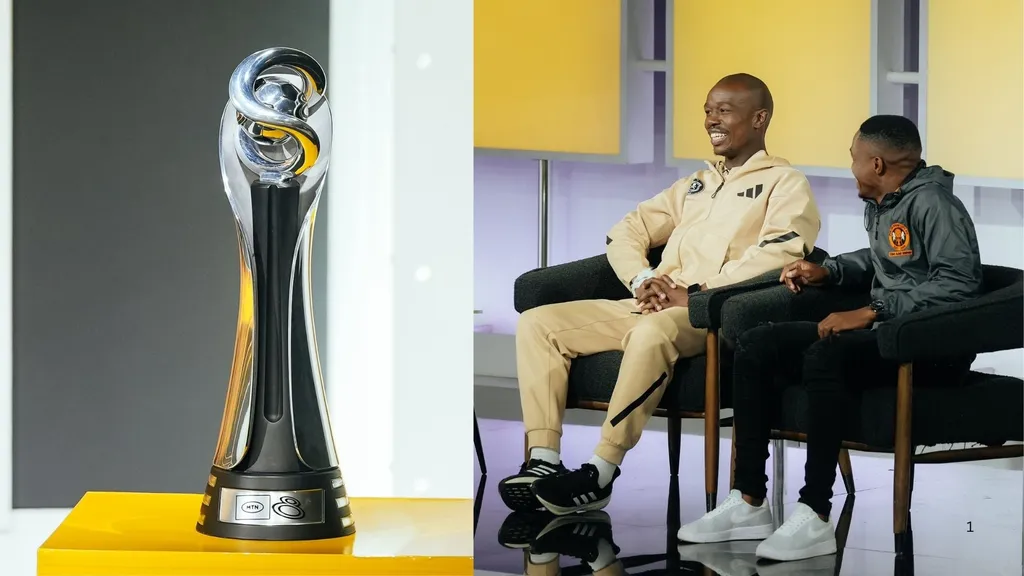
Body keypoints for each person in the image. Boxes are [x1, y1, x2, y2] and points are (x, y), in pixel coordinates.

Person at [498, 73, 822, 520]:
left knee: (651, 332)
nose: (711, 120)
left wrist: (696, 294)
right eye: (708, 110)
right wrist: (642, 279)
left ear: (759, 118)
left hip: (712, 313)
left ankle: (600, 470)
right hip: (653, 303)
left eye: (724, 110)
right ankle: (543, 460)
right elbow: (626, 231)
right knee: (539, 322)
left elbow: (780, 253)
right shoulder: (695, 184)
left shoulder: (785, 183)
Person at [677, 115, 983, 563]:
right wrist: (829, 270)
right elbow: (884, 259)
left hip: (929, 345)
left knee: (826, 354)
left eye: (854, 158)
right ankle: (748, 499)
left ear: (876, 164)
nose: (851, 168)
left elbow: (959, 285)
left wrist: (873, 310)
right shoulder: (886, 203)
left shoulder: (935, 204)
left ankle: (815, 512)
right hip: (886, 331)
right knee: (758, 344)